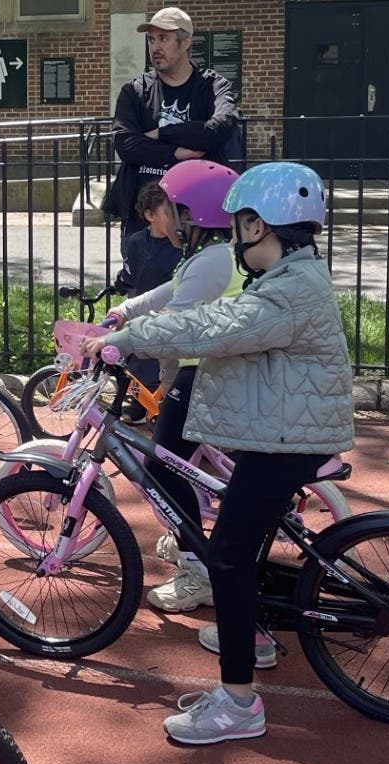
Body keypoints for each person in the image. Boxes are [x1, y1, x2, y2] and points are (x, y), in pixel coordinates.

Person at [83, 162, 354, 746]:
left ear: (259, 225)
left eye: (240, 225)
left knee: (228, 557)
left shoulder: (287, 291)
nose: (234, 237)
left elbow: (210, 326)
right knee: (242, 542)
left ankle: (238, 702)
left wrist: (122, 339)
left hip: (286, 441)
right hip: (278, 434)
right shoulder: (290, 277)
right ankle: (253, 632)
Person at [104, 159, 243, 614]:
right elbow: (165, 294)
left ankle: (196, 571)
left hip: (204, 371)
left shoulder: (212, 261)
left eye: (170, 207)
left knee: (165, 467)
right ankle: (192, 536)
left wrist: (119, 341)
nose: (162, 216)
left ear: (191, 214)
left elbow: (174, 317)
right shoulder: (208, 257)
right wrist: (124, 313)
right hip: (207, 368)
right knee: (188, 461)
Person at [103, 7, 239, 244]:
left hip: (199, 220)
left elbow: (219, 128)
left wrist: (161, 133)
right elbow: (125, 143)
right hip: (145, 218)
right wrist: (176, 152)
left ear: (185, 42)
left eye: (163, 38)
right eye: (151, 39)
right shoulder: (135, 91)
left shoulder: (212, 87)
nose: (155, 47)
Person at [111, 181, 182, 424]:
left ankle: (159, 404)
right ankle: (139, 403)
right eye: (167, 211)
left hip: (166, 309)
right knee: (135, 360)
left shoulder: (179, 246)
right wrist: (120, 284)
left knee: (158, 361)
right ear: (149, 215)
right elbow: (129, 272)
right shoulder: (136, 242)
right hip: (139, 303)